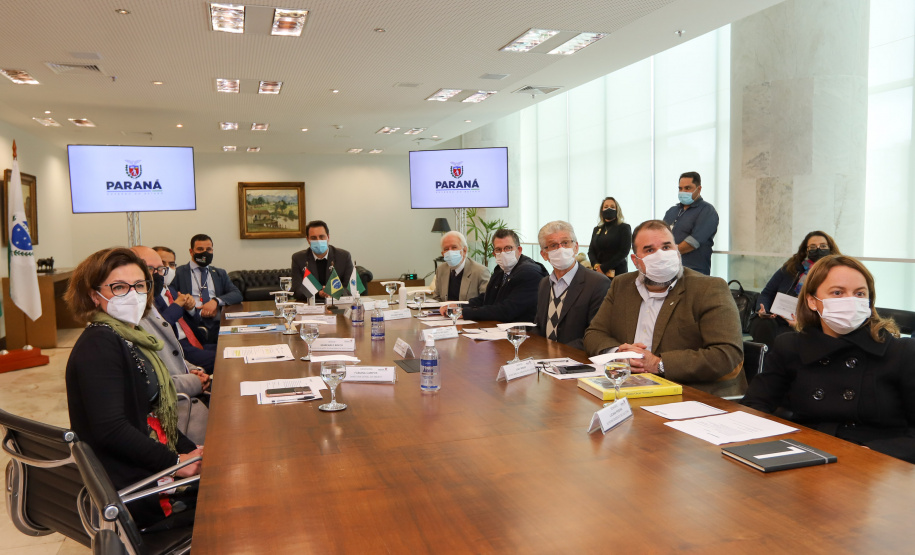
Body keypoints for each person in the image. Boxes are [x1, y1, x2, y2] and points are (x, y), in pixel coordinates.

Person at [64, 247, 202, 529]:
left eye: (139, 285)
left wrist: (192, 450)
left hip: (149, 475)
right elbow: (111, 430)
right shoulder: (99, 345)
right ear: (94, 295)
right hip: (138, 496)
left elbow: (149, 413)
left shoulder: (128, 337)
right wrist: (176, 461)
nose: (133, 294)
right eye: (119, 287)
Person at [742, 255, 915, 464]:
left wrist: (870, 454)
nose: (850, 300)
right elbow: (755, 405)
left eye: (860, 293)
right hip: (807, 456)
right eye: (837, 292)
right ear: (812, 301)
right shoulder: (790, 346)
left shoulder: (901, 352)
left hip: (876, 465)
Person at [583, 220, 745, 397]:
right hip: (628, 386)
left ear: (677, 251)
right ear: (635, 261)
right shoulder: (621, 285)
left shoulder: (709, 288)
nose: (660, 255)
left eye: (666, 247)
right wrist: (618, 354)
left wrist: (659, 364)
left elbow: (727, 354)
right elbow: (594, 333)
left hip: (693, 393)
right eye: (649, 250)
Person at [132, 246, 210, 443]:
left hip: (189, 393)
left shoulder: (150, 307)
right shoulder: (131, 320)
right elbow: (150, 386)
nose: (158, 275)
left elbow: (174, 354)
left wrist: (194, 370)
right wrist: (193, 380)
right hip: (177, 420)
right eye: (152, 269)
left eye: (162, 270)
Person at [750, 231, 842, 346]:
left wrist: (800, 324)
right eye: (812, 247)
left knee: (784, 337)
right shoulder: (791, 267)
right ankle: (763, 361)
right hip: (777, 317)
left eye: (823, 246)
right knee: (761, 324)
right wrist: (763, 310)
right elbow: (767, 293)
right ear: (806, 250)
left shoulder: (837, 273)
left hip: (808, 323)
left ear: (830, 248)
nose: (818, 250)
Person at [533, 221, 611, 349]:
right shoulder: (544, 283)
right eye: (553, 245)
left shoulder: (598, 283)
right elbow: (540, 326)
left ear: (576, 247)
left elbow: (597, 335)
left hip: (577, 362)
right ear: (544, 254)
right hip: (545, 361)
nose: (561, 249)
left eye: (565, 243)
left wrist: (557, 353)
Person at [453, 229, 547, 323]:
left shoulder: (529, 273)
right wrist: (459, 307)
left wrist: (466, 312)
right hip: (498, 328)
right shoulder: (500, 270)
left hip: (524, 333)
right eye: (498, 249)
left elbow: (507, 310)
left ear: (519, 250)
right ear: (494, 254)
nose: (503, 253)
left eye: (508, 248)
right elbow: (487, 298)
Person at [151, 244, 217, 373]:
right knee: (224, 359)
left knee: (230, 349)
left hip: (195, 341)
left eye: (172, 264)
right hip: (178, 348)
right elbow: (159, 327)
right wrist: (177, 305)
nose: (167, 269)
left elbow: (195, 322)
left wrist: (191, 308)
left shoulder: (171, 290)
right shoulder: (150, 296)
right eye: (162, 264)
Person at [174, 234, 243, 344]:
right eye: (200, 249)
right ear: (191, 252)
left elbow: (237, 294)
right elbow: (171, 299)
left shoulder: (219, 273)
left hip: (216, 321)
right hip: (190, 321)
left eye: (208, 249)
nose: (205, 253)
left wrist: (215, 301)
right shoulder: (178, 273)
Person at [662, 171, 719, 275]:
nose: (683, 191)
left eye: (687, 188)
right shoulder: (672, 211)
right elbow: (661, 236)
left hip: (694, 271)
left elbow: (694, 242)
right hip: (669, 270)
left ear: (699, 189)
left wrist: (669, 253)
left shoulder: (707, 211)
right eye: (680, 188)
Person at [291, 220, 354, 302]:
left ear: (328, 237)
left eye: (322, 237)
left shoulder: (344, 257)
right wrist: (318, 293)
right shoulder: (299, 258)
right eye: (313, 238)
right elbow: (296, 291)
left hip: (336, 304)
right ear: (308, 239)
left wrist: (333, 292)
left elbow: (350, 288)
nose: (318, 240)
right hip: (311, 306)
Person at [432, 231, 490, 302]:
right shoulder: (441, 269)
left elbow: (486, 301)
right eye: (446, 249)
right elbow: (437, 298)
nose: (450, 252)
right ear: (443, 254)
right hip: (444, 312)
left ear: (464, 250)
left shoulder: (480, 271)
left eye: (454, 247)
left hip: (468, 312)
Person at [588, 197, 631, 279]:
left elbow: (624, 252)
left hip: (617, 274)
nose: (609, 209)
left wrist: (604, 268)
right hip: (598, 274)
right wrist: (596, 265)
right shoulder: (597, 229)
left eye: (612, 207)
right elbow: (591, 250)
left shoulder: (624, 227)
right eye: (606, 207)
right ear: (602, 210)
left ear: (617, 210)